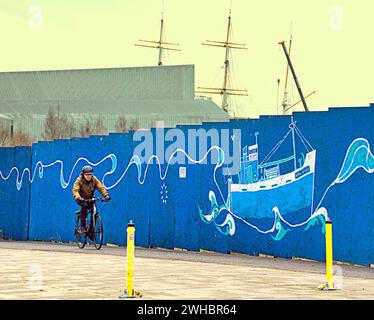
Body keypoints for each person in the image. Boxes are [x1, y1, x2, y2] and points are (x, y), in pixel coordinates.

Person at [72, 165, 111, 233]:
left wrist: (106, 195)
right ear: (83, 174)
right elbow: (75, 190)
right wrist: (78, 197)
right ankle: (82, 227)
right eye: (87, 175)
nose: (89, 176)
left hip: (90, 198)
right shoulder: (79, 180)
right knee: (84, 206)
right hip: (80, 198)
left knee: (94, 211)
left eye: (90, 174)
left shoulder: (94, 179)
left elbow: (100, 187)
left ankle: (91, 231)